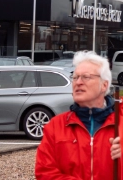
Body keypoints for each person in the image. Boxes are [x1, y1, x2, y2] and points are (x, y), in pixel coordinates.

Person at [36, 51, 116, 179]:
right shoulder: (56, 126)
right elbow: (44, 172)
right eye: (75, 77)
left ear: (104, 85)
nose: (78, 82)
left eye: (86, 77)